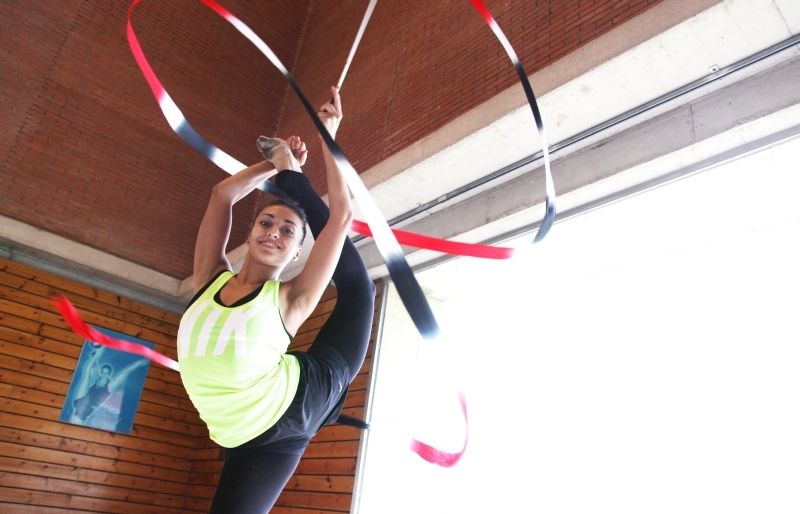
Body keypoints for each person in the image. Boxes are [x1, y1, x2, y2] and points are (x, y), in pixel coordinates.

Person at [176, 86, 375, 513]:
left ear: (298, 252)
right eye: (266, 222)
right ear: (249, 234)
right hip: (236, 428)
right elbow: (221, 195)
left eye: (288, 231)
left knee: (360, 288)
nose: (273, 231)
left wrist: (328, 133)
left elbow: (341, 217)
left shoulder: (288, 299)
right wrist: (272, 164)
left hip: (288, 416)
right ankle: (290, 175)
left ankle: (293, 179)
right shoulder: (208, 280)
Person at [69, 344, 148, 425]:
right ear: (101, 373)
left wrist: (139, 363)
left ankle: (99, 352)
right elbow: (95, 366)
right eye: (102, 372)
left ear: (109, 375)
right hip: (80, 401)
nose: (104, 374)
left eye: (106, 373)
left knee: (87, 373)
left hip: (83, 412)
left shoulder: (110, 386)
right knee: (86, 374)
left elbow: (125, 372)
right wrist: (94, 355)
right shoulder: (97, 379)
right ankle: (98, 352)